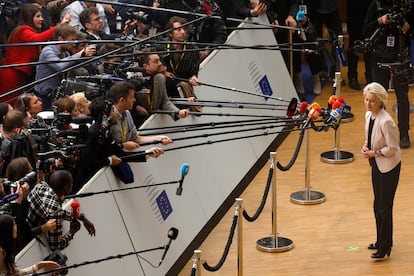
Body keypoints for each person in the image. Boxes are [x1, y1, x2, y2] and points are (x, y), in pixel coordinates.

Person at [362, 0, 414, 148]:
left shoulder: (407, 6)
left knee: (402, 97)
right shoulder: (376, 5)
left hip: (400, 56)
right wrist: (380, 20)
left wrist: (408, 27)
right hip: (379, 56)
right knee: (377, 97)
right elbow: (365, 29)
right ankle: (379, 132)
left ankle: (404, 132)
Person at [0, 4, 71, 105]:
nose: (42, 19)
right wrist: (59, 26)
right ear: (29, 17)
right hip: (12, 74)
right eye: (37, 16)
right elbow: (37, 39)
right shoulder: (22, 30)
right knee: (9, 104)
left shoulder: (26, 31)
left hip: (18, 74)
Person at [361, 82, 401, 261]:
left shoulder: (387, 122)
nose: (368, 104)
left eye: (372, 101)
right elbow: (370, 137)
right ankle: (381, 240)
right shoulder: (369, 115)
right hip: (376, 164)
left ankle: (385, 247)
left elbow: (393, 148)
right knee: (377, 205)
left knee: (385, 207)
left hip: (389, 167)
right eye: (366, 100)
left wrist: (374, 153)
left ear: (381, 101)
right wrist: (365, 147)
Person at [26, 170, 96, 251]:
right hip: (29, 239)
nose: (72, 185)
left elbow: (57, 212)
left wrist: (82, 217)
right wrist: (72, 232)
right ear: (66, 188)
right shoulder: (56, 211)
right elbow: (56, 246)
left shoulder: (41, 186)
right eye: (71, 184)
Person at [0, 157, 57, 252]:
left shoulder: (20, 198)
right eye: (30, 172)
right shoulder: (8, 208)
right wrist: (44, 228)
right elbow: (19, 232)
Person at [34, 24, 96, 110]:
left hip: (57, 93)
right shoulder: (48, 51)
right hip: (44, 96)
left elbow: (72, 65)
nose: (74, 44)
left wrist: (85, 57)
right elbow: (60, 66)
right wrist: (79, 54)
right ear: (60, 39)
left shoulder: (65, 53)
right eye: (72, 40)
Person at [108, 81, 173, 151]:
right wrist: (122, 146)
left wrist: (159, 138)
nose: (134, 100)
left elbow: (136, 139)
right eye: (132, 97)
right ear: (122, 100)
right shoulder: (108, 118)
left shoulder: (127, 113)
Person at [135, 50, 189, 124]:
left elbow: (164, 100)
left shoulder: (159, 78)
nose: (160, 63)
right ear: (145, 66)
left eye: (159, 60)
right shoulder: (135, 79)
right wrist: (135, 107)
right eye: (156, 61)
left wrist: (177, 112)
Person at [346, 0, 373, 90]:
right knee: (354, 43)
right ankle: (352, 76)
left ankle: (370, 77)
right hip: (354, 10)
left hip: (370, 7)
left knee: (370, 42)